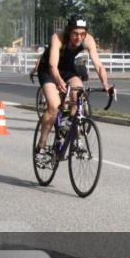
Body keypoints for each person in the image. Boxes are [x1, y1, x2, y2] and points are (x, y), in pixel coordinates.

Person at [33, 16, 112, 158]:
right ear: (69, 31)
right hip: (49, 71)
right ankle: (41, 145)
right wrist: (59, 81)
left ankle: (68, 123)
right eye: (76, 33)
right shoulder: (58, 37)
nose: (79, 37)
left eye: (82, 34)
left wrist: (105, 84)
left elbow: (99, 65)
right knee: (54, 107)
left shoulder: (88, 40)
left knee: (78, 91)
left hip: (67, 69)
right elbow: (52, 65)